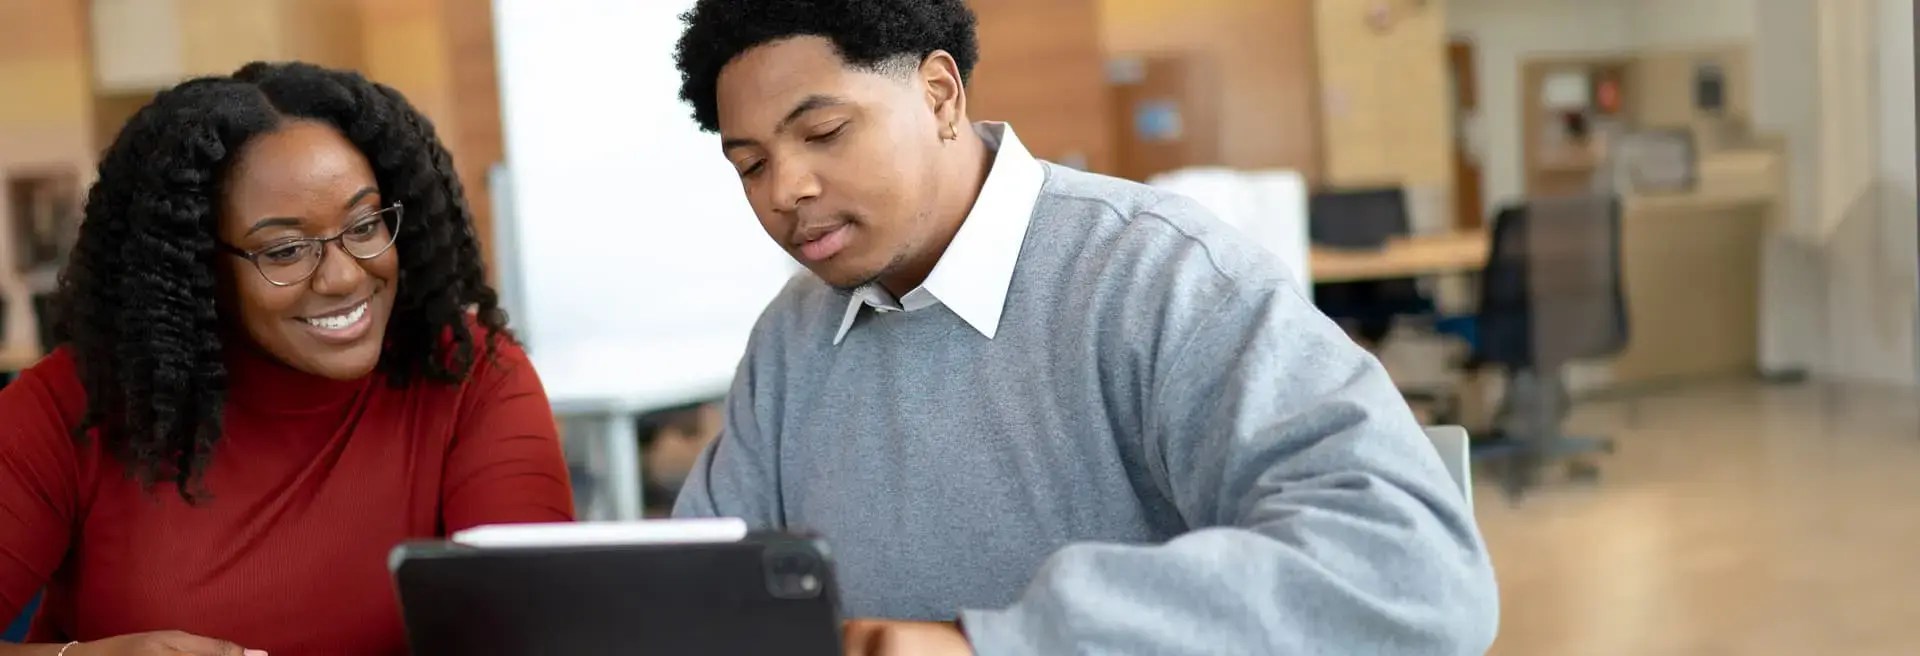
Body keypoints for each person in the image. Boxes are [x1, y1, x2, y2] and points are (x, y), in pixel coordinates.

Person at [668, 1, 1498, 654]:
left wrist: (992, 645)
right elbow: (692, 587)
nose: (785, 190)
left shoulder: (1159, 278)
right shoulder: (792, 339)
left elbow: (1414, 574)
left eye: (823, 133)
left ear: (939, 94)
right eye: (750, 164)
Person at [0, 62, 574, 656]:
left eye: (366, 224)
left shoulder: (469, 376)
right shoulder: (72, 407)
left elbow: (539, 635)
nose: (345, 276)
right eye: (286, 250)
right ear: (197, 267)